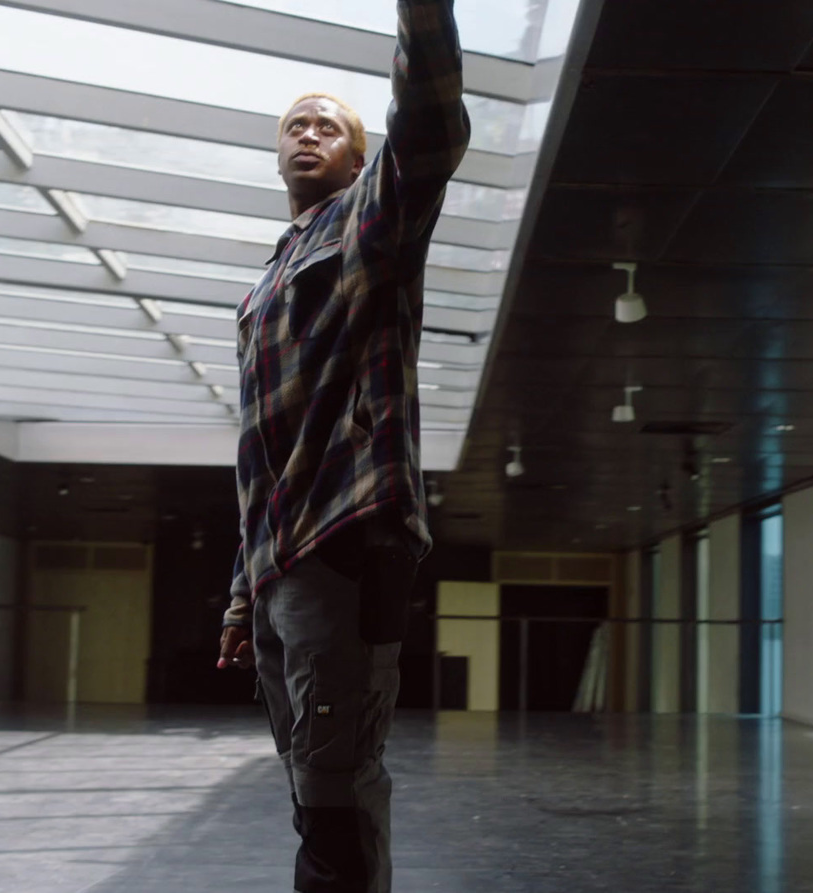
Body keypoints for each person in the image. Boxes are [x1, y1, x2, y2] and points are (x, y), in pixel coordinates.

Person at [215, 1, 471, 890]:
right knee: (312, 786)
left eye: (329, 124)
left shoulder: (372, 226)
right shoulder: (265, 284)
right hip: (283, 561)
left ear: (361, 159)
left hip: (349, 535)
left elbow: (433, 127)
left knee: (334, 788)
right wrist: (243, 596)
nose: (307, 132)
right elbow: (256, 459)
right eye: (295, 123)